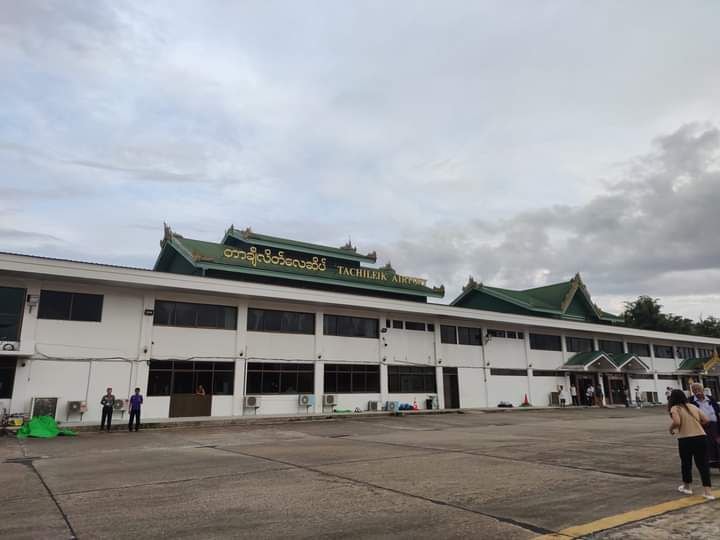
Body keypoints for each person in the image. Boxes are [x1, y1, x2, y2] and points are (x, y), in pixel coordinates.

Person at [667, 389, 714, 500]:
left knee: (686, 463)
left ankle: (687, 487)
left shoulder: (675, 408)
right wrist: (697, 425)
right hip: (701, 437)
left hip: (686, 439)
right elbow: (706, 420)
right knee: (703, 464)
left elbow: (677, 422)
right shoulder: (693, 406)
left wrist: (671, 429)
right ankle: (708, 492)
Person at [688, 383, 720, 470]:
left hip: (714, 426)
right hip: (701, 427)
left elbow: (717, 411)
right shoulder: (690, 401)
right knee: (705, 448)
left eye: (699, 389)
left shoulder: (710, 399)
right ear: (692, 391)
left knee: (717, 446)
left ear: (703, 390)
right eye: (694, 390)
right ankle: (706, 467)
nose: (697, 391)